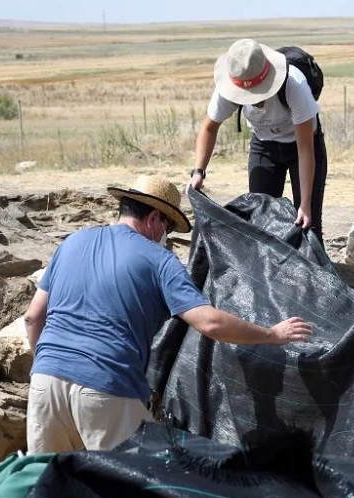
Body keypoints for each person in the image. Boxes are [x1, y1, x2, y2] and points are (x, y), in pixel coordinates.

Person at [24, 175, 312, 454]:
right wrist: (272, 334)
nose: (166, 236)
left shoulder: (73, 242)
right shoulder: (159, 260)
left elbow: (33, 317)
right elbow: (209, 322)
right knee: (132, 482)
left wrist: (50, 364)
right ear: (153, 219)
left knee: (48, 482)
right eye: (168, 228)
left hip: (44, 384)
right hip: (106, 387)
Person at [189, 38, 327, 242]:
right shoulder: (228, 88)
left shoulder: (294, 84)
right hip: (264, 146)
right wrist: (198, 172)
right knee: (261, 223)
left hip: (302, 148)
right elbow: (209, 128)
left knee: (308, 224)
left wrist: (305, 204)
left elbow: (305, 149)